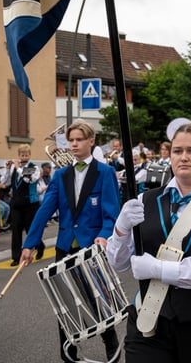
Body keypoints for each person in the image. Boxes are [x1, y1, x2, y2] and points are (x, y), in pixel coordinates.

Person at [107, 122, 191, 362]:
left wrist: (158, 269)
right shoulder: (145, 200)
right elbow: (118, 263)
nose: (184, 157)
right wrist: (121, 229)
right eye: (177, 151)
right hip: (149, 319)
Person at [20, 120, 120, 363]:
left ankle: (111, 346)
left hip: (92, 248)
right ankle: (69, 354)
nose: (74, 144)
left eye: (79, 140)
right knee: (64, 304)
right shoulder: (60, 174)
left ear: (91, 141)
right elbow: (45, 210)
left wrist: (104, 235)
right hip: (65, 248)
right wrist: (29, 244)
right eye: (71, 140)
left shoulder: (105, 173)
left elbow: (112, 214)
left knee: (98, 300)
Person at [1, 144, 44, 266]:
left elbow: (28, 179)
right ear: (19, 155)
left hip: (29, 203)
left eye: (26, 155)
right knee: (16, 229)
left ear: (29, 155)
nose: (24, 157)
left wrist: (17, 167)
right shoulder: (15, 168)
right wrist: (8, 169)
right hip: (16, 203)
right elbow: (5, 182)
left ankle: (39, 246)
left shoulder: (33, 167)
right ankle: (16, 257)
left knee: (30, 228)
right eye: (22, 155)